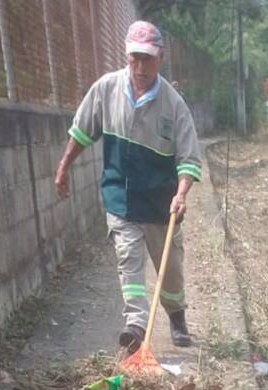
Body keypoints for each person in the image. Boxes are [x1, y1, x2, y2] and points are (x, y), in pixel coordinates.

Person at [53, 20, 202, 352]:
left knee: (170, 270)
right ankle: (135, 325)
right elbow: (82, 132)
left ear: (160, 58)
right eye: (135, 58)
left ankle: (176, 317)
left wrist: (181, 193)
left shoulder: (174, 105)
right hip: (120, 197)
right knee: (128, 259)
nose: (140, 67)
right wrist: (64, 166)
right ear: (126, 56)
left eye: (147, 59)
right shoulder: (106, 90)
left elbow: (189, 158)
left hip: (160, 203)